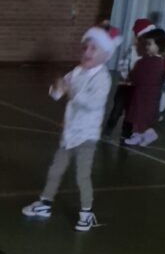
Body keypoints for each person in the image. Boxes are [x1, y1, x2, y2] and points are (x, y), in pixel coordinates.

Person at [22, 25, 118, 232]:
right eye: (85, 47)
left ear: (105, 55)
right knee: (55, 170)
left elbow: (92, 103)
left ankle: (86, 212)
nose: (87, 52)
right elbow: (58, 93)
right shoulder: (76, 72)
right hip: (69, 134)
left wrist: (70, 91)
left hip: (87, 136)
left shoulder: (103, 78)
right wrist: (56, 87)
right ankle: (45, 203)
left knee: (82, 175)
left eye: (94, 49)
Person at [104, 17, 156, 137]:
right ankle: (110, 126)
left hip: (138, 89)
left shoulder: (150, 54)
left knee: (131, 112)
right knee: (117, 109)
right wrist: (128, 76)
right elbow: (123, 65)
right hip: (125, 86)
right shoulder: (132, 50)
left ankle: (126, 133)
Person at [123, 31, 165, 146]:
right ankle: (140, 135)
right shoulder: (150, 62)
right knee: (140, 115)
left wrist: (132, 77)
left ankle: (144, 134)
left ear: (159, 46)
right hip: (145, 93)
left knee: (140, 115)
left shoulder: (151, 63)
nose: (147, 46)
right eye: (147, 43)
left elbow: (137, 76)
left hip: (146, 94)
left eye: (150, 44)